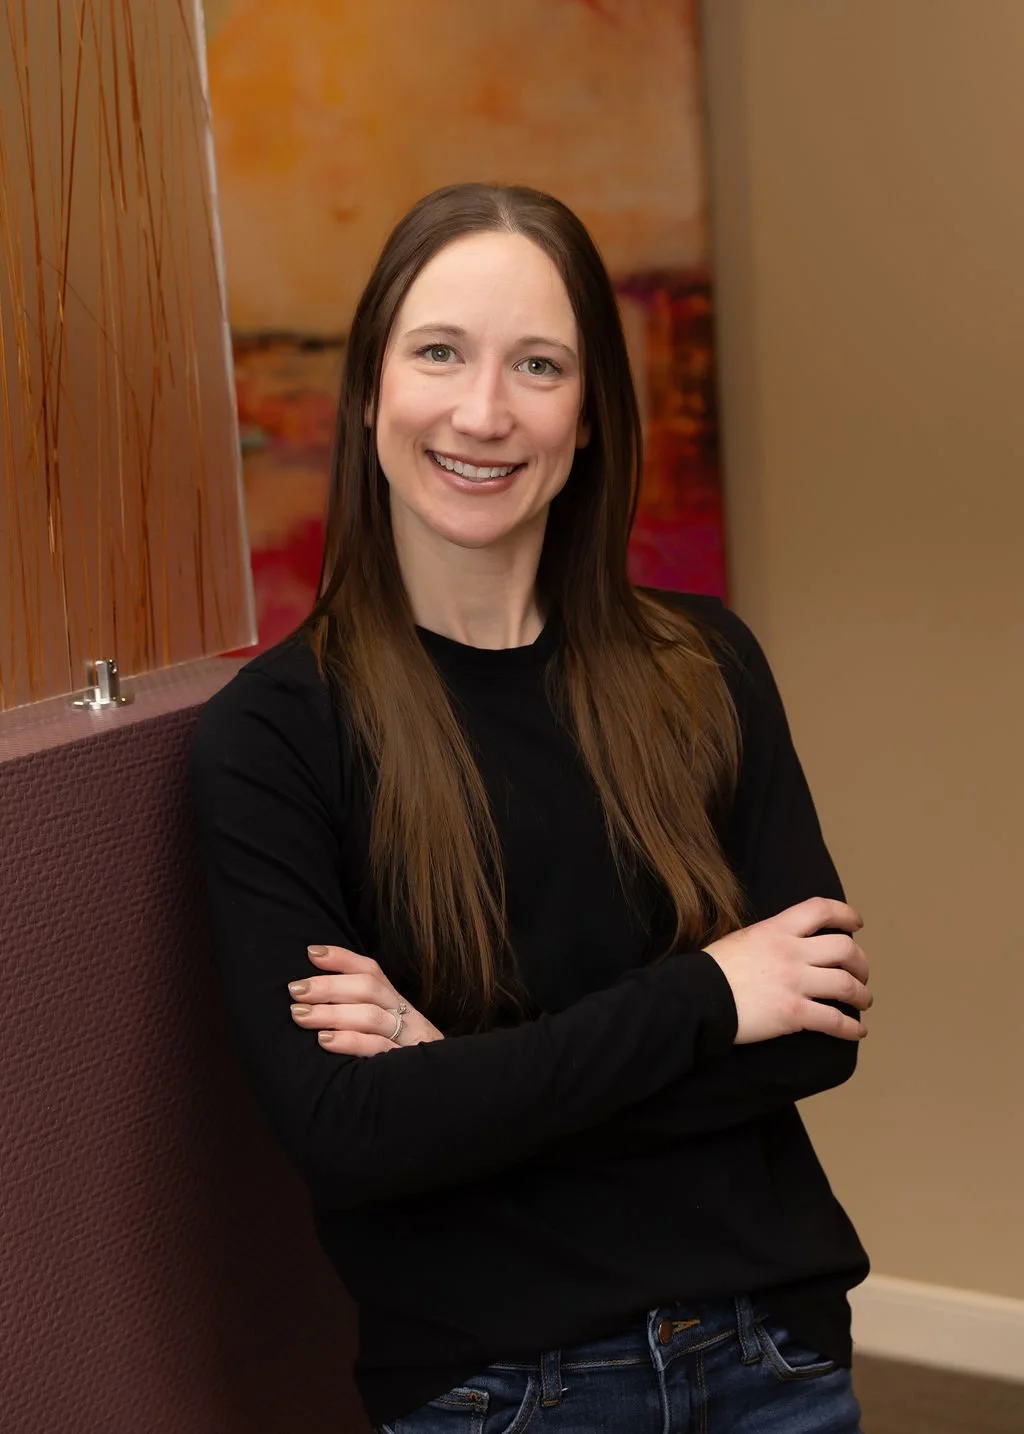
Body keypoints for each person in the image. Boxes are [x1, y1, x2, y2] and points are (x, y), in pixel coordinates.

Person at [190, 183, 871, 1433]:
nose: (483, 411)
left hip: (769, 1356)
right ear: (367, 391)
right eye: (439, 352)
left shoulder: (706, 668)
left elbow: (818, 1027)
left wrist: (459, 1077)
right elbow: (348, 1133)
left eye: (538, 365)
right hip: (496, 1394)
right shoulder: (276, 739)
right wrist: (712, 997)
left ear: (593, 412)